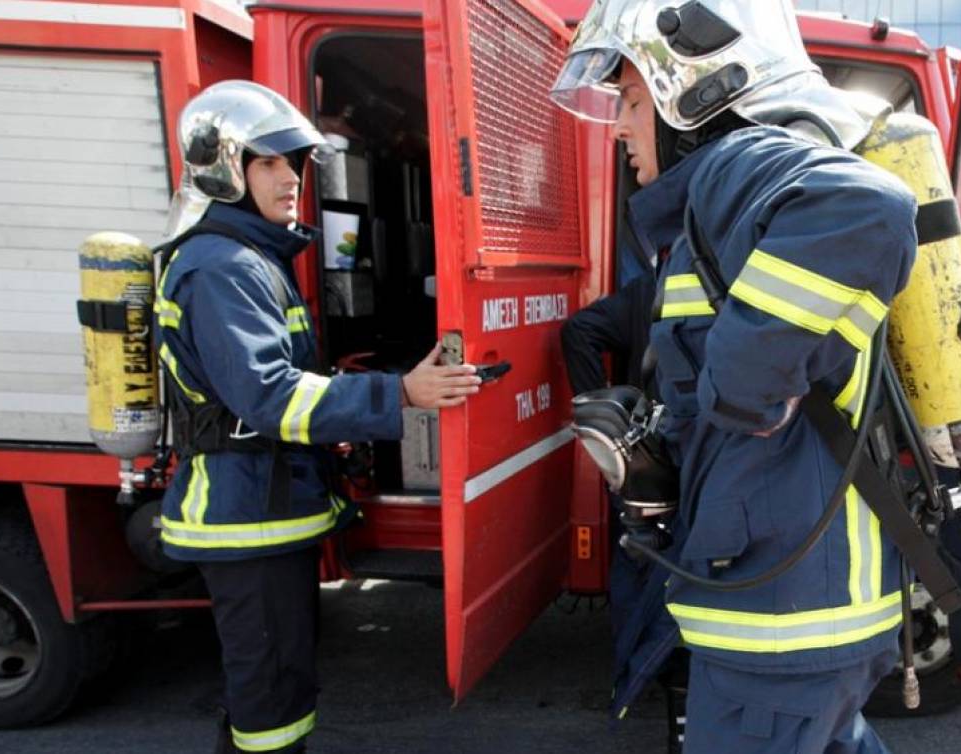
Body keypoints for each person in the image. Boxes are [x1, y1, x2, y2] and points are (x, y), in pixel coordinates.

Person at [552, 2, 918, 752]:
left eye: (628, 101)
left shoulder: (734, 164)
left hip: (781, 631)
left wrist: (737, 392)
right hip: (800, 616)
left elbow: (866, 207)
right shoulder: (718, 205)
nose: (620, 128)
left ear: (696, 89)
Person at [153, 80, 479, 753]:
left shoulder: (250, 260)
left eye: (294, 163)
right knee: (270, 707)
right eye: (269, 163)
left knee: (272, 695)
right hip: (246, 519)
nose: (291, 178)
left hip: (264, 513)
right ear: (225, 169)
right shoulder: (223, 268)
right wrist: (400, 395)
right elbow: (270, 397)